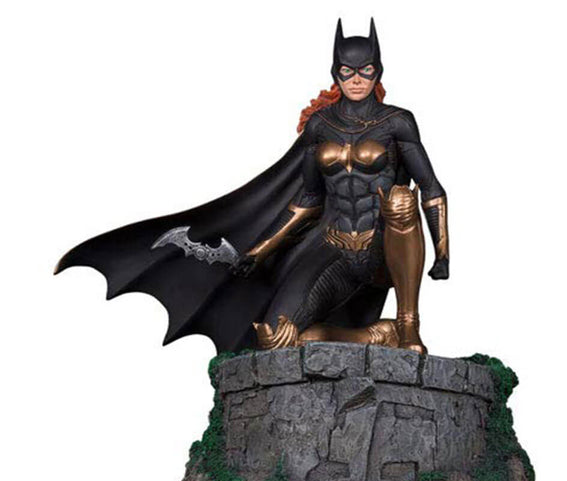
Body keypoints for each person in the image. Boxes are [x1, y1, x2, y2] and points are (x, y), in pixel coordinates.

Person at [56, 19, 448, 355]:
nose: (357, 79)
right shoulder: (321, 126)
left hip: (387, 248)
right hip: (334, 247)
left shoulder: (397, 122)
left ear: (378, 71)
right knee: (276, 339)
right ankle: (376, 336)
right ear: (335, 73)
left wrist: (442, 254)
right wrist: (259, 250)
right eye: (348, 71)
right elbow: (308, 200)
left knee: (401, 199)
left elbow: (430, 189)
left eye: (365, 70)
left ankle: (407, 323)